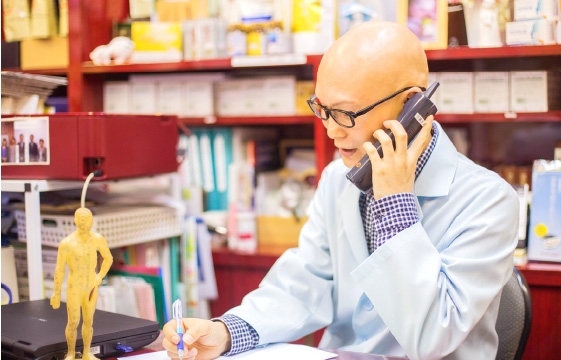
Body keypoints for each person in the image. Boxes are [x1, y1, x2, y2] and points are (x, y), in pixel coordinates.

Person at [163, 21, 518, 360]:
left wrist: (396, 201)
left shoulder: (489, 201)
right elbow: (307, 281)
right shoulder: (338, 177)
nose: (332, 130)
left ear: (411, 106)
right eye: (322, 109)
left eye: (346, 114)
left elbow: (431, 336)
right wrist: (226, 332)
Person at [50, 207, 113, 360]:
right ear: (76, 221)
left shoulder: (97, 239)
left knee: (89, 320)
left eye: (89, 219)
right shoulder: (67, 243)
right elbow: (59, 269)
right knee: (73, 321)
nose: (87, 223)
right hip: (74, 287)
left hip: (91, 285)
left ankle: (87, 352)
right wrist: (56, 293)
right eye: (83, 220)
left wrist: (100, 277)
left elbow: (108, 258)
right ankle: (71, 352)